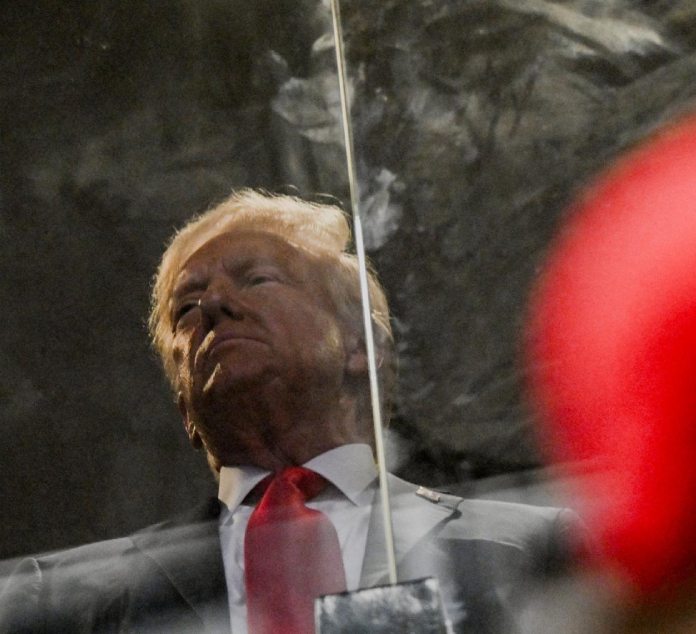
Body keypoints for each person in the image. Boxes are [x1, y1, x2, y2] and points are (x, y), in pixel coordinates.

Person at [0, 190, 576, 634]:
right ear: (182, 405)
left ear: (361, 349)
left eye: (257, 278)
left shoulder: (540, 547)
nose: (215, 305)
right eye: (186, 307)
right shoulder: (53, 598)